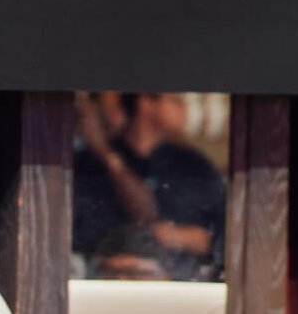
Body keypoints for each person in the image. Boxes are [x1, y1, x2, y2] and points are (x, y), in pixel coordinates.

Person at [73, 92, 227, 281]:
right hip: (100, 286)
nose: (185, 110)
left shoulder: (194, 166)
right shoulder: (88, 163)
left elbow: (225, 239)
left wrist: (182, 237)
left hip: (176, 290)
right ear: (146, 103)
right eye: (176, 101)